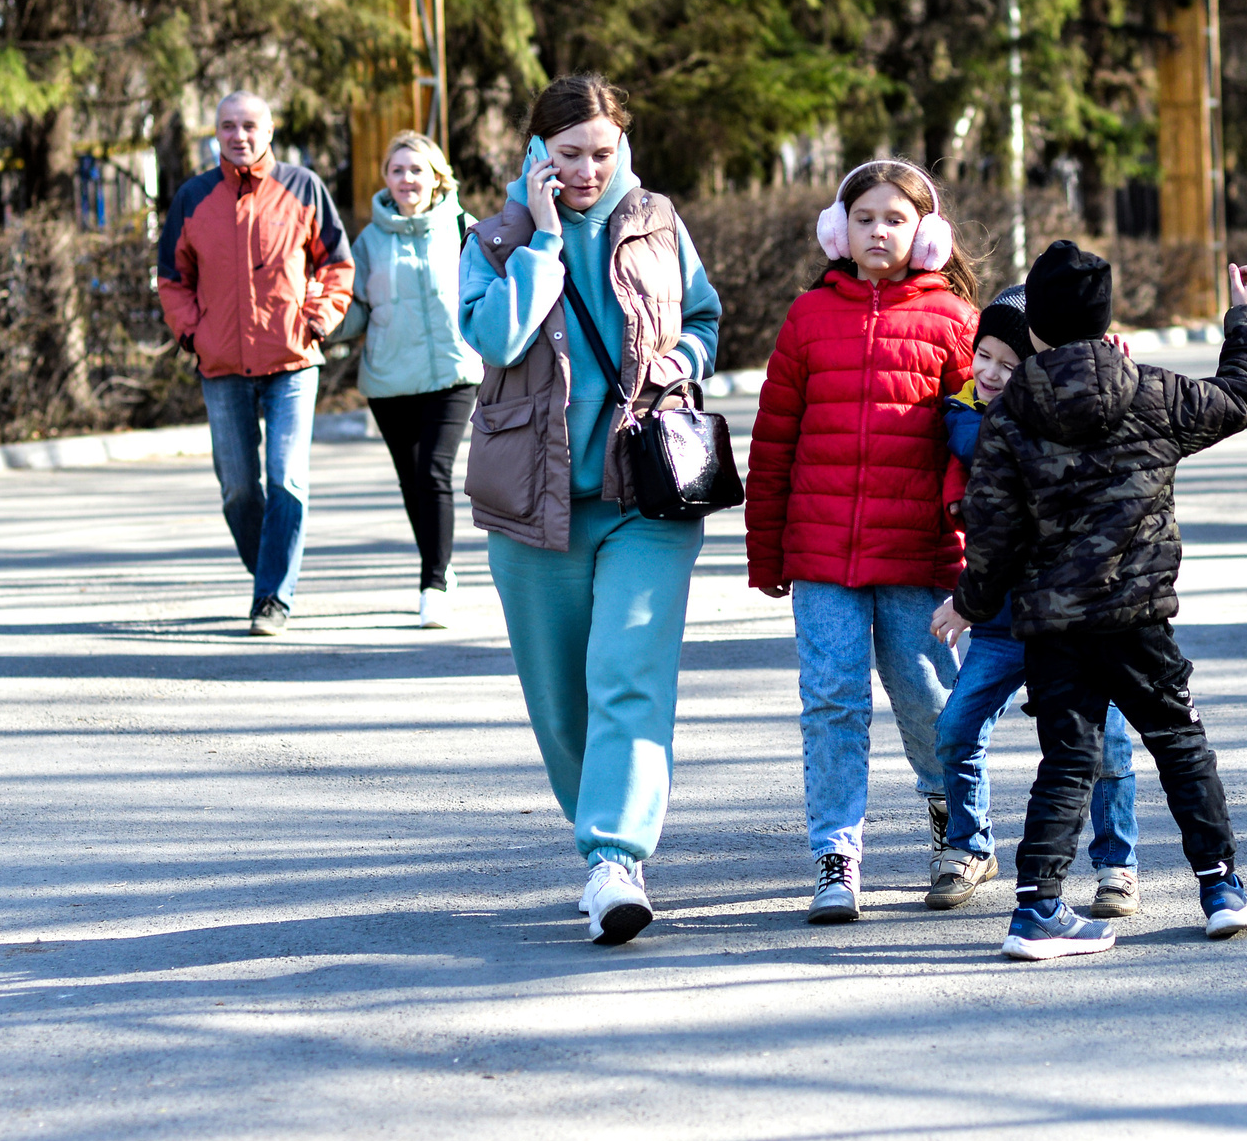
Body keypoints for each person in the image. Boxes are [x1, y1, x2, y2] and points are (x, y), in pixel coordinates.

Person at [933, 242, 1247, 960]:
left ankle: (1036, 911)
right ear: (1105, 318)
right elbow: (1242, 395)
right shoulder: (1152, 392)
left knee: (1067, 758)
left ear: (1033, 331)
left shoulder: (1008, 416)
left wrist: (969, 602)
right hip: (1137, 618)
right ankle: (1220, 888)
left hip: (1054, 626)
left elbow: (991, 530)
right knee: (1181, 744)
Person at [458, 74, 722, 947]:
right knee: (560, 699)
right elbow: (496, 338)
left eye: (602, 153)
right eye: (567, 154)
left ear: (624, 150)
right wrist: (539, 242)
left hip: (645, 493)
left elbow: (707, 315)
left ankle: (616, 854)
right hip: (533, 504)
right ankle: (601, 848)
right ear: (536, 153)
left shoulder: (657, 220)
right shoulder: (493, 238)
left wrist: (683, 355)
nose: (586, 169)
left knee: (627, 673)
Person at [746, 158, 979, 924]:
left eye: (896, 218)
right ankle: (836, 855)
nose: (879, 230)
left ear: (926, 236)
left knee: (927, 698)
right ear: (837, 229)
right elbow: (774, 440)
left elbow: (978, 443)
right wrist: (766, 549)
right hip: (820, 556)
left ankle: (959, 830)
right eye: (865, 216)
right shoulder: (808, 316)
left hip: (920, 552)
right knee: (831, 699)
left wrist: (973, 545)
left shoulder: (951, 320)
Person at [927, 283, 1142, 919]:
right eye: (982, 356)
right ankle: (968, 846)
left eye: (1009, 363)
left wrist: (1103, 377)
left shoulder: (1079, 412)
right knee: (957, 728)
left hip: (1076, 619)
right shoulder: (964, 415)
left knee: (1108, 742)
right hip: (997, 620)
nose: (990, 373)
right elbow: (972, 438)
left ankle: (1117, 865)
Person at [157, 92, 354, 635]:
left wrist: (316, 319)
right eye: (227, 126)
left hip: (292, 360)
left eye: (248, 126)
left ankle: (272, 598)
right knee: (239, 489)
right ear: (215, 133)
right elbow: (173, 281)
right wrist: (193, 333)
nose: (238, 136)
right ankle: (270, 571)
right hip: (221, 365)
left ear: (269, 130)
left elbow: (337, 265)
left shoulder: (303, 186)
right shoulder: (193, 197)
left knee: (286, 480)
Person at [327, 131, 484, 628]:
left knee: (433, 473)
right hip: (389, 379)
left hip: (453, 373)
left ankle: (433, 583)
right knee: (411, 481)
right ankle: (440, 565)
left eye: (416, 170)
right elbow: (355, 312)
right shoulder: (369, 241)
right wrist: (319, 319)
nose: (406, 179)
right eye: (397, 170)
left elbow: (493, 295)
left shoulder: (465, 228)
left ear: (437, 176)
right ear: (386, 180)